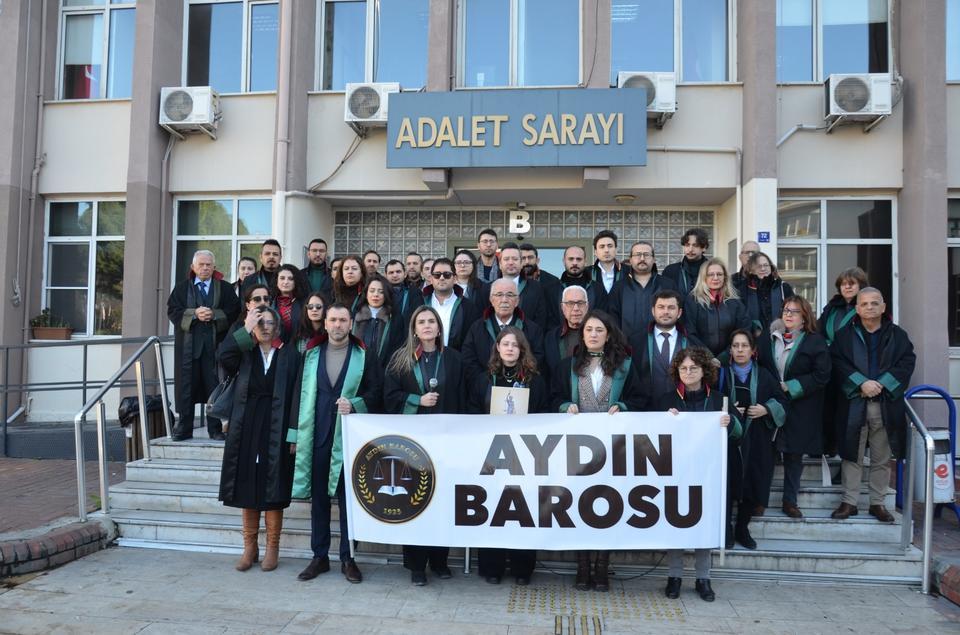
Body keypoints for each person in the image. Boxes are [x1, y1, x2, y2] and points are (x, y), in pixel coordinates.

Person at [549, 310, 644, 592]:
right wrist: (565, 405)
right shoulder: (568, 365)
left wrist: (624, 407)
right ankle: (582, 565)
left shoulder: (625, 366)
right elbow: (553, 397)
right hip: (577, 448)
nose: (592, 334)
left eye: (599, 330)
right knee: (580, 503)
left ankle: (602, 565)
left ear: (608, 334)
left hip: (614, 449)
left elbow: (640, 397)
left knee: (607, 506)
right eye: (588, 329)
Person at [290, 304, 382, 584]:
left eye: (343, 320)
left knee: (347, 502)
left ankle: (348, 557)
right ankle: (319, 556)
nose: (338, 325)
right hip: (316, 436)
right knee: (318, 500)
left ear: (351, 323)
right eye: (333, 320)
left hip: (349, 440)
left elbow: (377, 393)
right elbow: (297, 394)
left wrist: (355, 404)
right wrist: (294, 437)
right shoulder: (310, 355)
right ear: (325, 323)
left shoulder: (365, 356)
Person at [384, 306, 466, 585]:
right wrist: (416, 401)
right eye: (422, 322)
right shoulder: (400, 360)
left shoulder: (454, 359)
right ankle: (417, 565)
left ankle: (440, 560)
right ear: (414, 329)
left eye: (432, 321)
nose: (428, 326)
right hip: (413, 445)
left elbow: (464, 397)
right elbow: (389, 396)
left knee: (442, 501)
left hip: (446, 441)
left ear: (439, 327)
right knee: (415, 501)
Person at [217, 306, 298, 572]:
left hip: (276, 425)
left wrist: (294, 432)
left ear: (277, 326)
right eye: (259, 322)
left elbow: (297, 395)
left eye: (269, 322)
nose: (264, 327)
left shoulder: (289, 354)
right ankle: (250, 547)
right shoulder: (245, 351)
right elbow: (222, 354)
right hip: (246, 425)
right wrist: (245, 329)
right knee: (247, 483)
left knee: (273, 485)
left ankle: (273, 547)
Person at [658, 346, 739, 603]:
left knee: (705, 523)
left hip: (709, 474)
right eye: (683, 368)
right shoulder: (666, 401)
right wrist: (664, 420)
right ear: (677, 371)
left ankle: (704, 577)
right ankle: (674, 576)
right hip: (676, 473)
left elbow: (739, 434)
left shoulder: (718, 400)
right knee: (675, 521)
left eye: (694, 368)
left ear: (704, 370)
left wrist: (731, 423)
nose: (689, 372)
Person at [467, 327, 548, 586]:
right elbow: (471, 411)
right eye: (505, 344)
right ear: (498, 348)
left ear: (522, 349)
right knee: (492, 510)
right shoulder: (484, 379)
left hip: (525, 453)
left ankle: (522, 569)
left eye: (515, 345)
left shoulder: (535, 380)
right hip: (491, 455)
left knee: (522, 511)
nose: (510, 349)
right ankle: (493, 567)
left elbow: (544, 413)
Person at [829, 288, 916, 523]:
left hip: (884, 403)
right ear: (857, 308)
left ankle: (878, 503)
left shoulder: (898, 336)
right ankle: (849, 502)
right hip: (854, 402)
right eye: (864, 304)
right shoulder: (844, 336)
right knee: (851, 455)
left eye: (874, 303)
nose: (869, 307)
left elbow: (907, 362)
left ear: (883, 307)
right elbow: (837, 363)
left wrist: (882, 384)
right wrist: (861, 383)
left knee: (881, 457)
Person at [758, 296, 831, 518]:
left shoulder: (814, 341)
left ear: (804, 317)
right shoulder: (768, 339)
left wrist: (790, 387)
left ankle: (789, 501)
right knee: (765, 454)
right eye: (786, 310)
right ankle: (759, 499)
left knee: (793, 455)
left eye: (795, 311)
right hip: (771, 403)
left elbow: (822, 375)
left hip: (800, 405)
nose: (788, 315)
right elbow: (760, 366)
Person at [720, 330, 787, 549]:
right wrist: (730, 410)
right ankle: (726, 530)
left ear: (753, 350)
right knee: (727, 483)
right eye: (736, 346)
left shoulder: (765, 375)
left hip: (757, 438)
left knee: (751, 483)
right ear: (730, 350)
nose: (740, 350)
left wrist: (766, 409)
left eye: (744, 346)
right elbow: (710, 401)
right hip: (728, 440)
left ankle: (742, 528)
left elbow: (782, 401)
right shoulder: (720, 375)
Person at [167, 250, 240, 441]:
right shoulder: (182, 288)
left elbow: (234, 310)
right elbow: (173, 311)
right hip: (188, 350)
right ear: (193, 267)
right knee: (186, 388)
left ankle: (214, 429)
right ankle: (184, 427)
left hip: (214, 348)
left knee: (213, 386)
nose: (205, 268)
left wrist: (214, 315)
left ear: (214, 267)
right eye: (201, 264)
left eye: (209, 264)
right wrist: (194, 314)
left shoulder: (224, 288)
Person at [817, 266, 869, 456]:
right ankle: (826, 447)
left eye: (851, 284)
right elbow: (818, 331)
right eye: (843, 284)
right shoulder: (832, 308)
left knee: (846, 412)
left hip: (852, 366)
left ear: (860, 286)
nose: (847, 287)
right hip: (829, 365)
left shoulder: (865, 307)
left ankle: (843, 450)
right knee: (827, 408)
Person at [628, 289, 703, 407]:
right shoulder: (636, 341)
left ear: (679, 312)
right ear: (653, 311)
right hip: (645, 411)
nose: (666, 312)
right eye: (661, 307)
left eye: (671, 307)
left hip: (681, 411)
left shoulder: (692, 342)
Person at [461, 279, 546, 382]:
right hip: (485, 389)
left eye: (510, 295)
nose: (504, 300)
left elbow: (537, 358)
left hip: (520, 387)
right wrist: (484, 381)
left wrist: (518, 379)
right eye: (499, 295)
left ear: (517, 301)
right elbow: (469, 359)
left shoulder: (532, 329)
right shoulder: (477, 328)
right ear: (491, 300)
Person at [684, 258, 750, 362]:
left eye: (719, 274)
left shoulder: (735, 302)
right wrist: (708, 357)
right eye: (711, 274)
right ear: (704, 278)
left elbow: (743, 330)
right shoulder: (693, 301)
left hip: (729, 360)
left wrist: (724, 356)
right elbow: (690, 333)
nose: (715, 278)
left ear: (725, 277)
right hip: (701, 360)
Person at [608, 241, 676, 338]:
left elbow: (676, 315)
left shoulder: (667, 284)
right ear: (630, 260)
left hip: (659, 345)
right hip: (627, 347)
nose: (642, 258)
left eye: (647, 255)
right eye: (638, 255)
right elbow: (613, 319)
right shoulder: (619, 287)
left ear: (654, 259)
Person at [419, 258, 478, 350]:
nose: (442, 278)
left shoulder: (467, 307)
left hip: (457, 360)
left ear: (454, 279)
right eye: (437, 275)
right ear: (431, 279)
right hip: (424, 360)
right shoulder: (419, 303)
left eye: (447, 275)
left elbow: (471, 341)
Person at [488, 242, 547, 329]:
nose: (511, 262)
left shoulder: (536, 288)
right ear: (500, 264)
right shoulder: (487, 288)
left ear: (521, 263)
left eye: (515, 259)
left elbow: (541, 321)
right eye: (506, 259)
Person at [351, 274, 405, 368]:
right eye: (372, 291)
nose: (376, 294)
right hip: (356, 369)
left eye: (381, 292)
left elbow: (397, 348)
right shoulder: (354, 315)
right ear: (366, 293)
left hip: (384, 370)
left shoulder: (395, 318)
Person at [739, 251, 795, 338]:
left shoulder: (783, 287)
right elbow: (740, 318)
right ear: (750, 270)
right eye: (758, 266)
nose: (763, 269)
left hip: (780, 339)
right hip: (753, 341)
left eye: (766, 265)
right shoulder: (743, 290)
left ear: (771, 268)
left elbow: (795, 313)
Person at [544, 285, 589, 377]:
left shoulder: (596, 335)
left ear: (587, 306)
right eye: (570, 303)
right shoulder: (551, 337)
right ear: (563, 307)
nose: (576, 308)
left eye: (580, 303)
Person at [520, 243, 562, 328]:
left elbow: (556, 311)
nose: (527, 261)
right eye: (523, 258)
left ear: (537, 260)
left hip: (546, 331)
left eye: (530, 257)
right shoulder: (513, 281)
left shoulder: (553, 281)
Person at [662, 228, 710, 295]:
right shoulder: (670, 271)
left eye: (695, 245)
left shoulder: (712, 271)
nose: (690, 249)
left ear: (704, 248)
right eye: (687, 245)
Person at [271, 264, 306, 345]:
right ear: (277, 281)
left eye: (290, 279)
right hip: (274, 348)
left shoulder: (304, 303)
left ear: (296, 281)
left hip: (299, 348)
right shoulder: (269, 302)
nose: (286, 282)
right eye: (282, 278)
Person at [589, 230, 622, 312]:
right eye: (602, 246)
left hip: (621, 322)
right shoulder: (586, 273)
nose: (606, 250)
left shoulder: (628, 272)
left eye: (610, 246)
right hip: (594, 322)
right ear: (596, 252)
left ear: (616, 250)